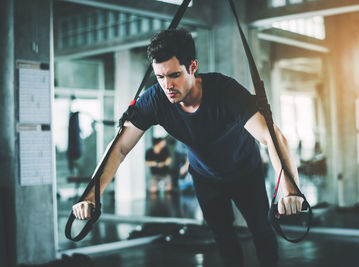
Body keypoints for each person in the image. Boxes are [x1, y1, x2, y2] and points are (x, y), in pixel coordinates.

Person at [72, 28, 303, 267]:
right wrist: (91, 195)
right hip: (204, 178)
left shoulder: (225, 92)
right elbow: (118, 148)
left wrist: (290, 187)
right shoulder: (155, 100)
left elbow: (271, 135)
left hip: (245, 171)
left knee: (261, 232)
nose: (167, 85)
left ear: (193, 66)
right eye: (160, 77)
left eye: (174, 75)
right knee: (223, 239)